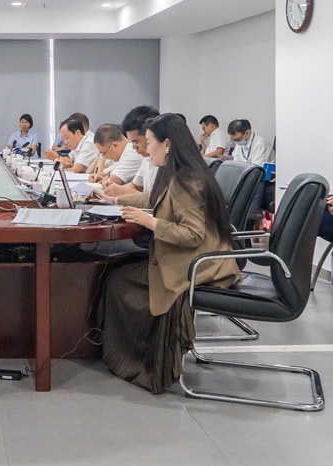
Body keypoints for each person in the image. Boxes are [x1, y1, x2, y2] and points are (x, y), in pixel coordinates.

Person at [91, 113, 239, 393]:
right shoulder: (179, 173)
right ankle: (127, 354)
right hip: (194, 257)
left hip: (200, 264)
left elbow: (192, 234)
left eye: (149, 142)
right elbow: (153, 198)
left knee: (117, 281)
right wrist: (112, 199)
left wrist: (149, 222)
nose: (147, 149)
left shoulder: (187, 181)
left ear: (167, 144)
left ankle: (139, 358)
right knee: (120, 274)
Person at [100, 106, 160, 197]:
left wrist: (117, 195)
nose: (134, 147)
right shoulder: (147, 159)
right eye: (131, 142)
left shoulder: (166, 162)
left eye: (136, 142)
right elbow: (135, 186)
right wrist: (111, 192)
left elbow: (157, 200)